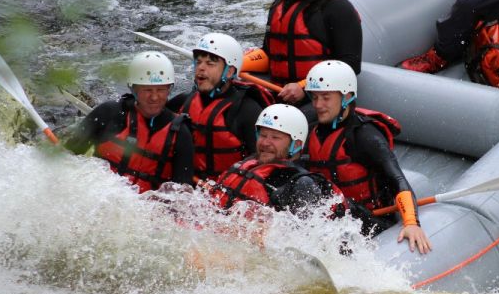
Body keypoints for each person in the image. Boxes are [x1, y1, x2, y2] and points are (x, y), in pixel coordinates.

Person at [303, 60, 432, 254]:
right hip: (332, 218)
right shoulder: (312, 130)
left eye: (325, 98)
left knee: (345, 210)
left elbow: (397, 179)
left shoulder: (365, 135)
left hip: (372, 220)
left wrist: (412, 223)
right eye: (314, 98)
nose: (318, 105)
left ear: (346, 96)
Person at [64, 50, 194, 192]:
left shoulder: (180, 132)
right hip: (100, 198)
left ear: (169, 89)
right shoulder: (108, 113)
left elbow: (183, 197)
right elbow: (67, 158)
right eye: (147, 90)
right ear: (133, 89)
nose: (155, 97)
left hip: (145, 209)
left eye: (161, 90)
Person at [262, 0, 362, 106]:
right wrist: (237, 62)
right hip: (280, 94)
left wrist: (304, 87)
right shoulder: (278, 6)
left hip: (318, 101)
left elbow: (350, 66)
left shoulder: (338, 9)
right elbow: (268, 54)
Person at [166, 32, 265, 183]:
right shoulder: (183, 102)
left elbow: (261, 161)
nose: (201, 68)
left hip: (227, 192)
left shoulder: (247, 110)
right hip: (186, 188)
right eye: (198, 62)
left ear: (230, 71)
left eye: (210, 63)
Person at [212, 103, 343, 215]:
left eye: (275, 137)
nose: (265, 143)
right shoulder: (245, 165)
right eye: (263, 135)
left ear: (296, 145)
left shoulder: (302, 185)